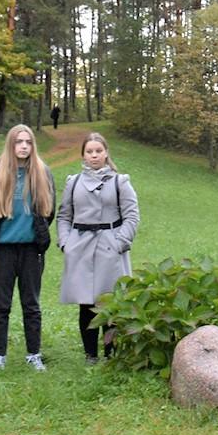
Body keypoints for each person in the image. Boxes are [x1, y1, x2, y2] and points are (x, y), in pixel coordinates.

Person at [58, 132, 139, 363]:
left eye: (98, 151)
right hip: (80, 248)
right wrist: (66, 242)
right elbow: (64, 215)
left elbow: (132, 216)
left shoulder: (119, 182)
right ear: (83, 154)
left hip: (109, 247)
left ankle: (111, 354)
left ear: (106, 153)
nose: (94, 156)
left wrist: (119, 242)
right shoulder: (73, 183)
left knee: (109, 303)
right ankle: (90, 354)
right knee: (86, 304)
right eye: (89, 151)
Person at [0, 124, 55, 371]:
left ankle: (33, 354)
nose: (23, 146)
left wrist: (38, 234)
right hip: (3, 249)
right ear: (10, 144)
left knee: (31, 303)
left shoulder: (43, 172)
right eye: (18, 142)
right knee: (1, 303)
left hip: (31, 249)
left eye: (28, 142)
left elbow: (49, 212)